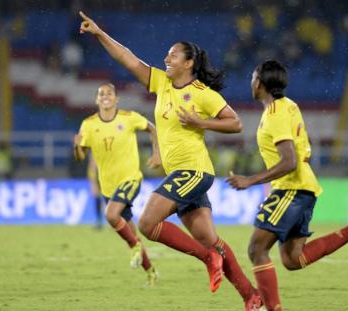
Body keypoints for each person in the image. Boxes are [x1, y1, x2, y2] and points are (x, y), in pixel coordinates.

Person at [79, 12, 263, 310]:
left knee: (149, 223)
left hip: (194, 171)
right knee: (211, 240)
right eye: (167, 54)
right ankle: (250, 296)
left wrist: (199, 122)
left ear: (188, 63)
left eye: (173, 55)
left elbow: (236, 123)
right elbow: (127, 58)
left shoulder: (202, 94)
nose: (167, 58)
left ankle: (208, 259)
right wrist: (100, 33)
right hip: (182, 174)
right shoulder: (162, 83)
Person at [226, 60, 348, 311]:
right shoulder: (288, 105)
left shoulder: (274, 115)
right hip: (302, 187)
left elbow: (289, 160)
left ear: (260, 83)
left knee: (256, 248)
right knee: (293, 259)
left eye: (253, 77)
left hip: (291, 189)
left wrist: (250, 180)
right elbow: (302, 151)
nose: (251, 81)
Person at [73, 82, 160, 286]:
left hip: (130, 179)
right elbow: (80, 156)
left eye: (109, 93)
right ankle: (151, 272)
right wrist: (77, 147)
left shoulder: (129, 118)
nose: (105, 96)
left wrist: (157, 153)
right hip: (107, 187)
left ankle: (135, 247)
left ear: (116, 99)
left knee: (111, 215)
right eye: (101, 93)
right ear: (97, 99)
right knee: (131, 232)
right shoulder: (88, 124)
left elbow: (152, 129)